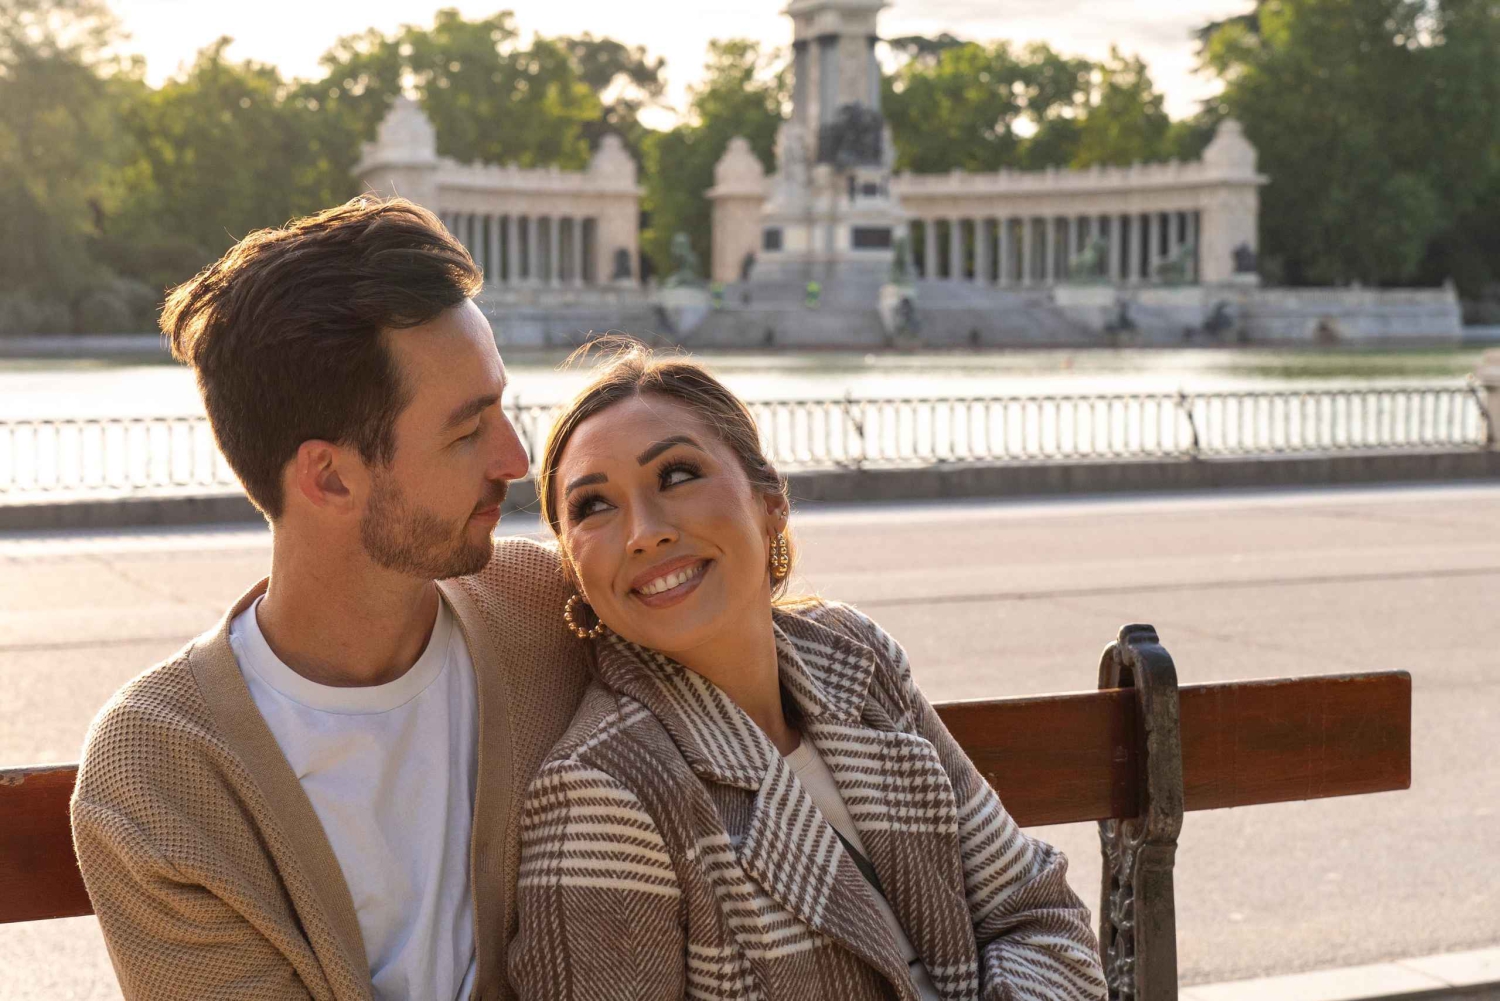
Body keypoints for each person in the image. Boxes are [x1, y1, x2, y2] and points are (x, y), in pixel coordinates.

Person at [69, 197, 591, 1000]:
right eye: (466, 431)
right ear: (331, 477)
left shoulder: (547, 610)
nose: (516, 460)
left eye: (501, 407)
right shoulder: (157, 771)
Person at [508, 339, 1107, 1001]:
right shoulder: (604, 790)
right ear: (575, 570)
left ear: (769, 501)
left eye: (676, 475)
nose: (644, 531)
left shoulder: (854, 656)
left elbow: (1036, 912)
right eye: (594, 506)